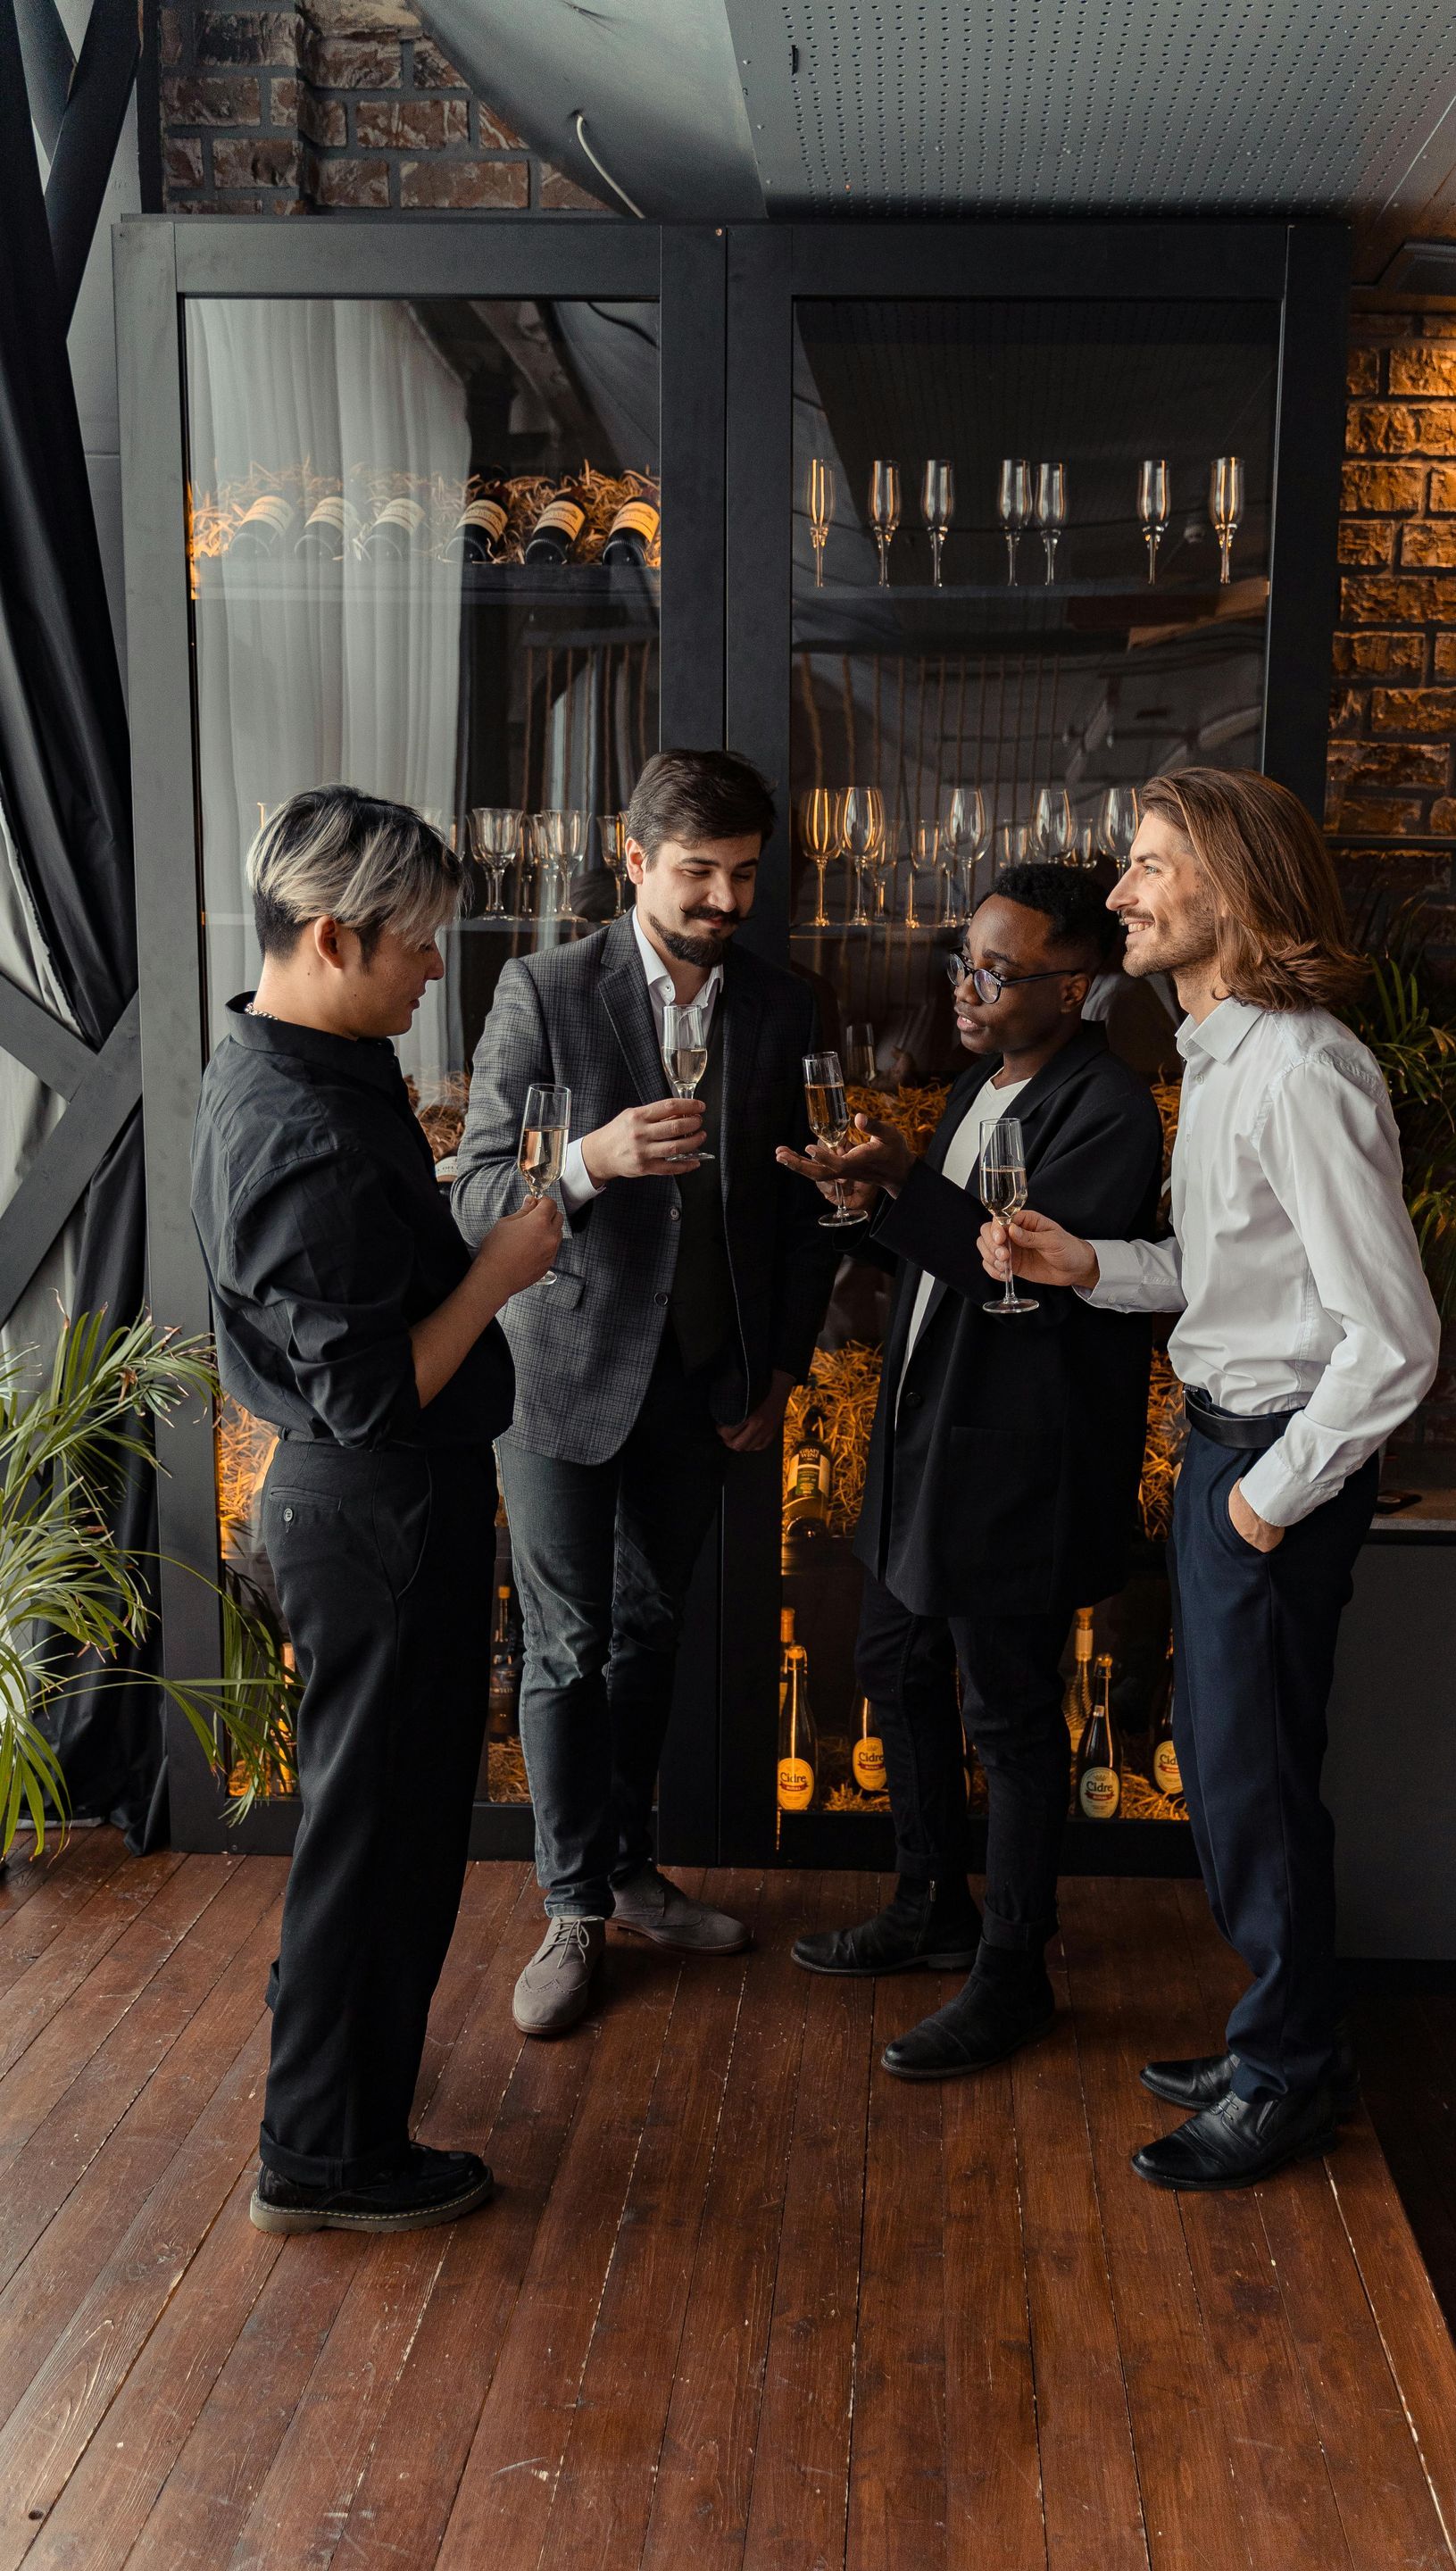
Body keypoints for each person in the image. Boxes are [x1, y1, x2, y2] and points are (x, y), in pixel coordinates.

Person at [979, 770, 1440, 2188]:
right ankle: (1284, 2044)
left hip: (1271, 1469)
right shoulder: (1224, 1056)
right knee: (1237, 1771)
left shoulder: (1303, 1072)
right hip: (1225, 1451)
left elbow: (1395, 1338)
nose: (1121, 892)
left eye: (1151, 865)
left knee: (1251, 1785)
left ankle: (1287, 2076)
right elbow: (1235, 1278)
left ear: (1231, 890)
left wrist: (1261, 1503)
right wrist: (1087, 1262)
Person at [190, 786, 562, 2236]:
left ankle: (335, 2097)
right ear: (333, 937)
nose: (432, 971)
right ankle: (324, 2155)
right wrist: (500, 1271)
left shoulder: (295, 1062)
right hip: (375, 1510)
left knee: (377, 1827)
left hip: (370, 1507)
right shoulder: (303, 1131)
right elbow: (372, 1393)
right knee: (380, 1841)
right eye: (415, 946)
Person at [454, 749, 836, 2036]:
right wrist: (589, 1162)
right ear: (633, 860)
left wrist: (779, 1366)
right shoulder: (545, 990)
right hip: (559, 1373)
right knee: (566, 1644)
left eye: (744, 875)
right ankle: (571, 1906)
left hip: (705, 1382)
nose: (724, 901)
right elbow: (476, 1195)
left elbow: (800, 1217)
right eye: (697, 873)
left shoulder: (784, 1004)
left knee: (650, 1628)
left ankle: (626, 1871)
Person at [778, 865, 1161, 2078]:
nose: (968, 990)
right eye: (965, 964)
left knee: (1008, 1715)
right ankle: (928, 1903)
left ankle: (1013, 1971)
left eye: (998, 974)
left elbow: (1020, 1278)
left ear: (1076, 986)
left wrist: (904, 1184)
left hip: (1014, 1468)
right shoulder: (973, 1088)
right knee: (893, 1666)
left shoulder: (1107, 1109)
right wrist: (875, 1198)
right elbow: (945, 1256)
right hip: (922, 1444)